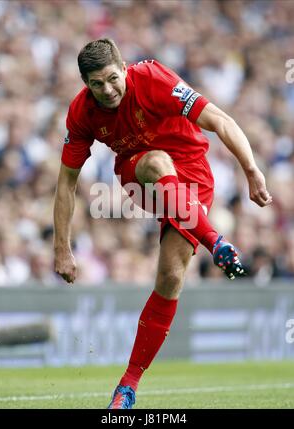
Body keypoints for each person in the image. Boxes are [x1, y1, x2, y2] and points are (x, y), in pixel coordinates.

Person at [53, 38, 272, 409]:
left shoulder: (154, 78)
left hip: (194, 176)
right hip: (139, 171)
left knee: (171, 277)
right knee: (156, 162)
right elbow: (66, 183)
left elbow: (219, 120)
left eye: (111, 79)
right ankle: (216, 242)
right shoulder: (81, 112)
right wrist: (62, 248)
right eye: (96, 84)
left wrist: (251, 170)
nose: (107, 90)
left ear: (125, 68)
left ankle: (127, 387)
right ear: (85, 85)